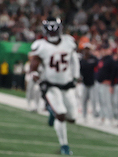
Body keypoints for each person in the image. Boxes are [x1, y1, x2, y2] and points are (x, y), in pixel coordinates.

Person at [29, 18, 80, 156]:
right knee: (61, 114)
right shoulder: (41, 45)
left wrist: (76, 76)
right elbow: (35, 62)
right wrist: (34, 72)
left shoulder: (68, 42)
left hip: (67, 84)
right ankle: (64, 146)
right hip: (50, 84)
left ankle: (52, 112)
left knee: (72, 118)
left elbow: (74, 59)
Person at [79, 44, 100, 122]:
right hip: (84, 83)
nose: (86, 51)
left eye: (88, 49)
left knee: (93, 100)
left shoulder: (94, 59)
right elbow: (80, 71)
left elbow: (98, 68)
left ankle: (94, 116)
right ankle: (84, 116)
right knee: (84, 100)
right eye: (85, 49)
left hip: (93, 83)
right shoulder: (82, 59)